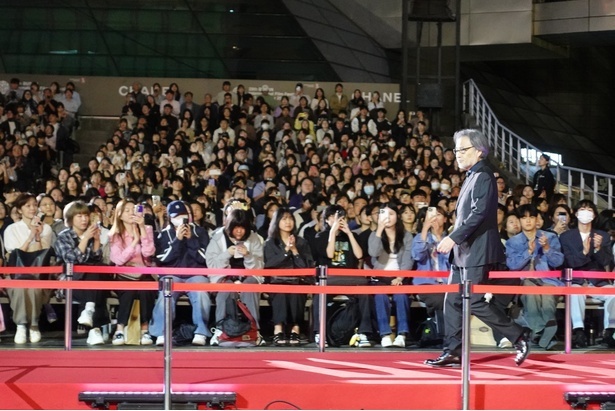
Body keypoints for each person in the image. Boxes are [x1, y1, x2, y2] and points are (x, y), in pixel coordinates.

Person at [426, 129, 529, 368]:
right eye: (456, 150)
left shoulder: (483, 175)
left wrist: (453, 237)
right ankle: (452, 351)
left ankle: (519, 335)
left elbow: (479, 213)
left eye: (463, 150)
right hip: (464, 251)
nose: (457, 155)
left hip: (477, 250)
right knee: (452, 300)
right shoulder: (472, 175)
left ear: (480, 151)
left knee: (472, 301)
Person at [149, 200, 213, 347]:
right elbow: (162, 259)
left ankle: (201, 332)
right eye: (176, 216)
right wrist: (177, 240)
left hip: (195, 273)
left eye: (183, 215)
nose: (180, 219)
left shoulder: (200, 232)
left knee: (201, 292)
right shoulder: (163, 235)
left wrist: (191, 239)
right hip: (172, 274)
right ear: (170, 218)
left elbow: (204, 259)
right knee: (166, 292)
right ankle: (162, 333)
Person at [311, 204, 374, 347]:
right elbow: (329, 254)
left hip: (350, 277)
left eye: (341, 217)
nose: (337, 220)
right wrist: (332, 233)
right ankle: (319, 333)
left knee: (365, 293)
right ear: (327, 220)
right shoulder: (321, 236)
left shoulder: (353, 236)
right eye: (333, 217)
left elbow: (359, 255)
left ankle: (364, 332)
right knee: (319, 296)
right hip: (330, 277)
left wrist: (350, 234)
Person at [506, 204, 564, 350]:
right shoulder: (513, 242)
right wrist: (528, 252)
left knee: (547, 294)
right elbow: (512, 265)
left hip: (547, 279)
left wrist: (546, 249)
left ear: (537, 219)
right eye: (524, 218)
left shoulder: (549, 237)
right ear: (519, 220)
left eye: (531, 217)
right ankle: (545, 330)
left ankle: (538, 333)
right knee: (530, 291)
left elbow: (558, 261)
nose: (528, 221)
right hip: (525, 280)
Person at [559, 199, 615, 348]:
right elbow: (569, 262)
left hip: (597, 281)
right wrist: (584, 252)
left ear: (594, 215)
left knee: (613, 294)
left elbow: (606, 261)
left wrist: (597, 249)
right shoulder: (566, 237)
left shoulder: (602, 236)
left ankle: (609, 331)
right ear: (576, 214)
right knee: (575, 292)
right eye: (582, 209)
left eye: (589, 210)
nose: (586, 213)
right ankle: (578, 331)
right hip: (576, 280)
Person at [206, 208, 265, 346]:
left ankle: (254, 330)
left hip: (248, 276)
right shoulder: (217, 237)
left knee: (250, 287)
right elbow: (211, 264)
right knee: (226, 290)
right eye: (236, 227)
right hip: (224, 277)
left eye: (242, 227)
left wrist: (248, 255)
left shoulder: (254, 238)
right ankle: (221, 331)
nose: (239, 231)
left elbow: (259, 266)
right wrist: (226, 254)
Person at [54, 200, 109, 345]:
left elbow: (96, 258)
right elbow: (71, 260)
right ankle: (94, 328)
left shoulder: (90, 234)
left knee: (96, 270)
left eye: (86, 215)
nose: (84, 219)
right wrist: (85, 239)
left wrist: (96, 240)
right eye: (79, 216)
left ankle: (89, 313)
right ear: (71, 218)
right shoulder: (63, 237)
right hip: (70, 282)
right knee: (96, 280)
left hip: (89, 282)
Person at [3, 193, 53, 344]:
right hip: (17, 273)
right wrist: (30, 236)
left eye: (34, 205)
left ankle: (33, 324)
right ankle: (21, 325)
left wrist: (38, 237)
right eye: (28, 206)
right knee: (20, 287)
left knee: (33, 286)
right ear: (19, 210)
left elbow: (42, 255)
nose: (32, 209)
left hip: (39, 274)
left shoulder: (47, 229)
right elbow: (15, 255)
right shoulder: (11, 229)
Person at [108, 199, 157, 346]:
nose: (131, 213)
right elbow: (118, 259)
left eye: (133, 209)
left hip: (143, 274)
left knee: (146, 290)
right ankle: (119, 330)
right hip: (124, 275)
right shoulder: (115, 234)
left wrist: (141, 228)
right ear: (120, 215)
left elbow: (149, 252)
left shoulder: (146, 229)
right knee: (128, 290)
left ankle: (145, 330)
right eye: (127, 210)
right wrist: (134, 242)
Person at [264, 207, 314, 346]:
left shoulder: (302, 242)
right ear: (277, 222)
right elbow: (269, 264)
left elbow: (305, 267)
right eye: (284, 219)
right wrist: (286, 251)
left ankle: (295, 329)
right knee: (280, 292)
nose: (288, 222)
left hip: (298, 281)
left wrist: (294, 250)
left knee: (296, 292)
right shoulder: (270, 243)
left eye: (290, 218)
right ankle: (278, 328)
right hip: (277, 281)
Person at [368, 202, 413, 348]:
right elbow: (373, 253)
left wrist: (400, 277)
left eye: (391, 214)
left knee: (401, 296)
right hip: (380, 277)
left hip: (399, 276)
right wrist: (379, 229)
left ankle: (402, 334)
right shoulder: (374, 235)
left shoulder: (406, 236)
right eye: (384, 214)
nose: (388, 217)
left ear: (397, 216)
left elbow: (408, 259)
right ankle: (385, 334)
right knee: (380, 296)